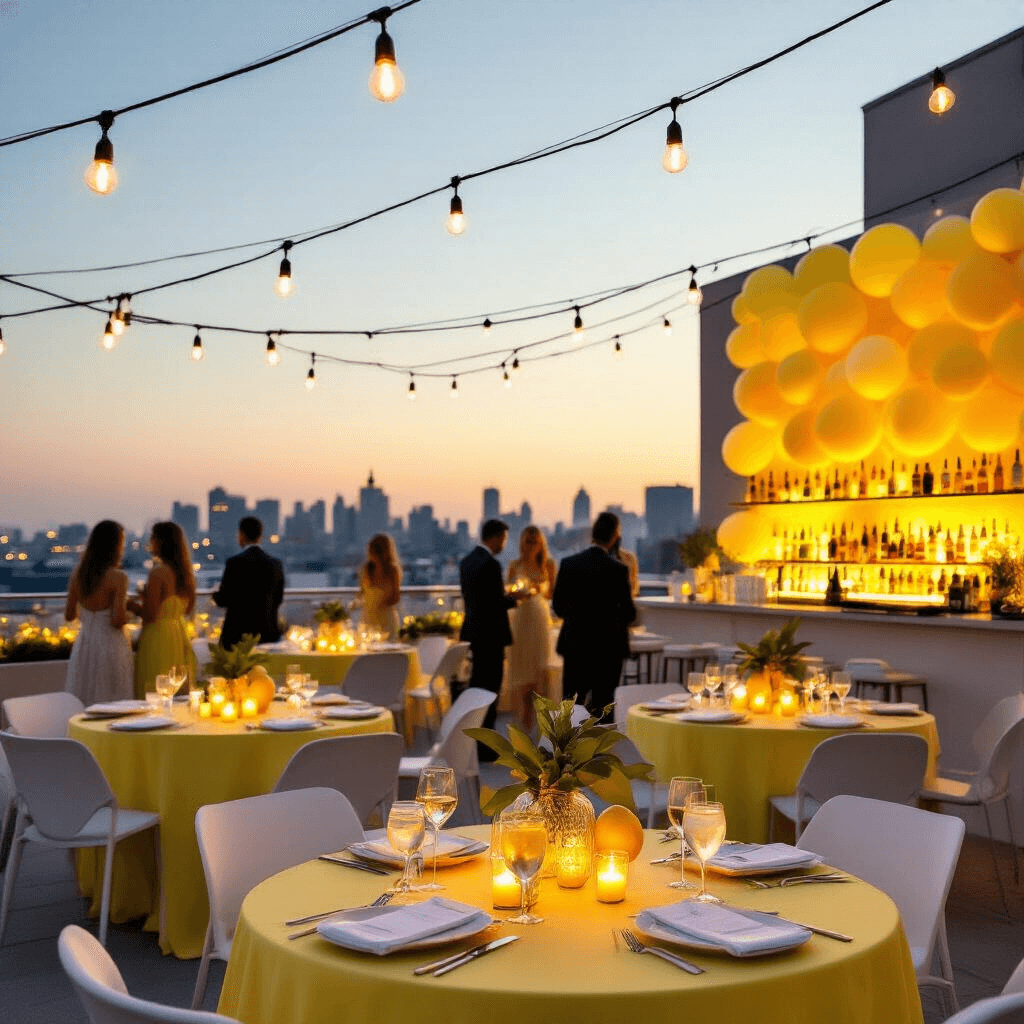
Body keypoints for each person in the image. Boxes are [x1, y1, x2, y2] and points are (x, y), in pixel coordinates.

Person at [552, 511, 636, 718]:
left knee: (571, 707)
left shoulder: (568, 564)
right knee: (603, 708)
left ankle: (569, 740)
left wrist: (577, 618)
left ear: (593, 534)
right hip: (608, 650)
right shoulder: (618, 570)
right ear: (615, 535)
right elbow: (629, 613)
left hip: (575, 646)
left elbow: (558, 606)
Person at [459, 519, 522, 753]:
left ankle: (472, 738)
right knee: (491, 689)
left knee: (477, 686)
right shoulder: (491, 564)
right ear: (495, 537)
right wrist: (515, 598)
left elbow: (477, 600)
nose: (503, 544)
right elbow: (495, 603)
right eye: (503, 539)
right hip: (492, 636)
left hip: (475, 633)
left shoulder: (467, 561)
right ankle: (486, 745)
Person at [63, 520, 135, 705]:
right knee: (113, 697)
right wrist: (131, 614)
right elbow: (117, 620)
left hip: (85, 643)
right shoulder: (118, 577)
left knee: (83, 694)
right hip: (111, 644)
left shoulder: (78, 574)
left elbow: (69, 615)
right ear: (115, 546)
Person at [129, 521, 197, 698]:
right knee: (176, 690)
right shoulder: (186, 575)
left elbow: (150, 615)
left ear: (161, 542)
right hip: (178, 634)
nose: (150, 542)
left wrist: (131, 606)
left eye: (153, 537)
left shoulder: (158, 573)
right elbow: (187, 609)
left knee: (154, 688)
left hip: (157, 638)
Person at [505, 525, 556, 730]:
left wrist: (537, 589)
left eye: (535, 542)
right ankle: (525, 719)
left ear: (541, 544)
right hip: (520, 620)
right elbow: (508, 592)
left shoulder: (549, 565)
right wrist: (518, 592)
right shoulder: (514, 565)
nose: (532, 546)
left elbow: (552, 594)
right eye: (528, 541)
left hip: (540, 621)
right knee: (522, 671)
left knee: (540, 670)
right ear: (522, 543)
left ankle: (542, 721)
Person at [211, 516, 285, 651]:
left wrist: (214, 593)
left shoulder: (234, 563)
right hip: (267, 633)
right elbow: (278, 599)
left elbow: (224, 599)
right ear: (261, 537)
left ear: (242, 535)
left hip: (237, 635)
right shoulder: (275, 564)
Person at [359, 533, 402, 639]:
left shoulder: (392, 571)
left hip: (385, 620)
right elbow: (362, 592)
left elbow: (395, 598)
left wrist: (379, 602)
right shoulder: (367, 569)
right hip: (368, 618)